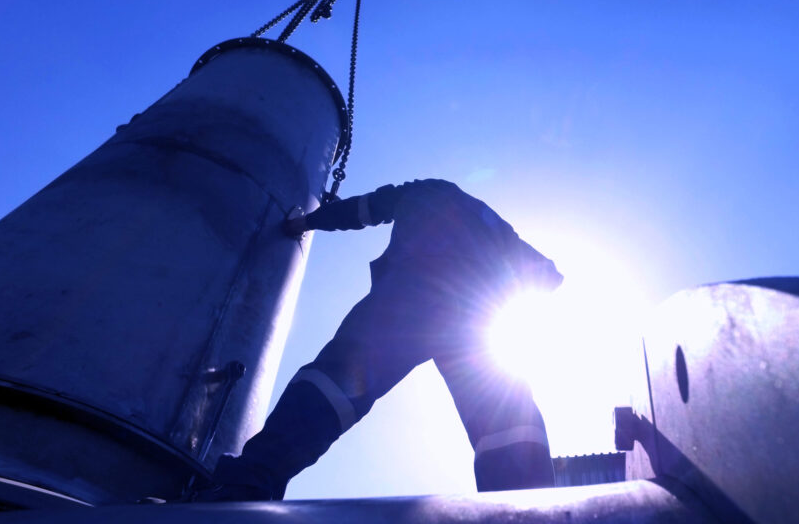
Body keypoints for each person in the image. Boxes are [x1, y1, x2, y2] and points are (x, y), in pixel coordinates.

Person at [197, 179, 563, 501]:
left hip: (413, 292)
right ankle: (528, 504)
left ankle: (252, 479)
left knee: (335, 384)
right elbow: (546, 273)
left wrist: (306, 221)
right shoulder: (493, 222)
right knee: (506, 412)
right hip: (477, 311)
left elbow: (361, 210)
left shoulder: (425, 190)